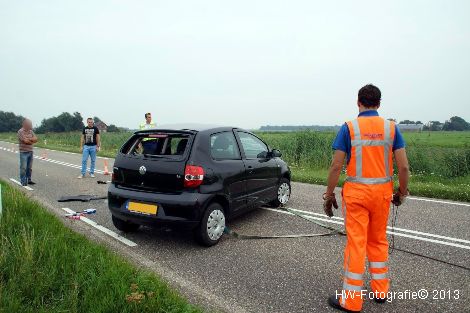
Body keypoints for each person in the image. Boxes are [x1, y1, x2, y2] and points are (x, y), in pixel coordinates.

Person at [324, 84, 410, 312]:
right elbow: (403, 167)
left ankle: (351, 301)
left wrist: (329, 193)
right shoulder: (391, 128)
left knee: (356, 244)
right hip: (382, 196)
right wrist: (402, 192)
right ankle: (380, 291)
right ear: (379, 104)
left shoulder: (349, 128)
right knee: (378, 241)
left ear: (358, 102)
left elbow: (335, 166)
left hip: (357, 197)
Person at [17, 119, 38, 186]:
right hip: (23, 152)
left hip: (30, 151)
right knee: (23, 167)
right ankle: (23, 181)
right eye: (29, 124)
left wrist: (29, 140)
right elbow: (25, 141)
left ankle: (29, 179)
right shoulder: (20, 132)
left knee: (29, 168)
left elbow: (36, 139)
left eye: (30, 124)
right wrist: (31, 141)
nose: (30, 125)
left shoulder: (31, 131)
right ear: (24, 124)